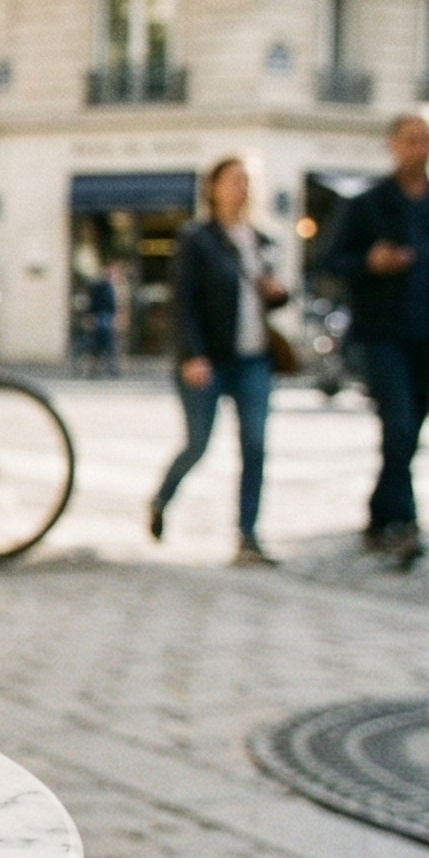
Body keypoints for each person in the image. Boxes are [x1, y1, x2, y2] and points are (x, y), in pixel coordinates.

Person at [321, 107, 429, 565]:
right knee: (398, 424)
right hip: (382, 331)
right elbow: (332, 261)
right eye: (410, 137)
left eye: (427, 138)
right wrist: (369, 264)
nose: (419, 147)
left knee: (410, 428)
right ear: (392, 144)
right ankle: (402, 521)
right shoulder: (367, 203)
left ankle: (382, 513)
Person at [150, 155, 290, 566]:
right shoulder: (197, 238)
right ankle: (162, 498)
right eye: (231, 180)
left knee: (255, 445)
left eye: (246, 181)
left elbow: (274, 298)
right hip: (208, 360)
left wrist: (278, 293)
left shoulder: (264, 238)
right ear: (213, 187)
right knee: (197, 445)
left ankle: (248, 536)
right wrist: (192, 355)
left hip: (253, 359)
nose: (240, 188)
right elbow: (183, 303)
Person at [82, 262, 124, 378]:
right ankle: (102, 368)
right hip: (102, 317)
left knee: (105, 344)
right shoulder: (101, 285)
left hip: (107, 318)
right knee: (102, 344)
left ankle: (105, 368)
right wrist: (92, 316)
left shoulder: (113, 286)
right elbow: (96, 302)